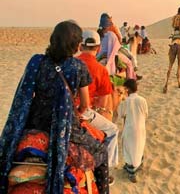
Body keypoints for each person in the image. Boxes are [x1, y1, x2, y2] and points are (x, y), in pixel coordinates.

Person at [0, 21, 110, 193]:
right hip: (66, 127)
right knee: (102, 152)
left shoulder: (37, 61)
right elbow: (84, 104)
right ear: (75, 45)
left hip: (35, 122)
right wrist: (77, 113)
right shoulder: (78, 67)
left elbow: (26, 94)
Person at [77, 30, 120, 175]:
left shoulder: (71, 63)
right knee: (113, 130)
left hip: (63, 107)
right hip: (84, 111)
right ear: (99, 48)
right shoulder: (101, 70)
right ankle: (106, 169)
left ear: (80, 46)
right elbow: (103, 101)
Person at [117, 79, 148, 183]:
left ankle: (132, 173)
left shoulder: (126, 101)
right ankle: (138, 165)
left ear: (128, 89)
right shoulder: (142, 100)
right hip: (141, 128)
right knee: (139, 146)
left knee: (129, 148)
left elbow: (121, 114)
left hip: (130, 129)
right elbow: (146, 114)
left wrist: (121, 99)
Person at [97, 13, 140, 80]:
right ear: (109, 23)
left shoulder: (97, 35)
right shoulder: (112, 33)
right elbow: (118, 43)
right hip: (116, 48)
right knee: (129, 62)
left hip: (99, 55)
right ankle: (131, 80)